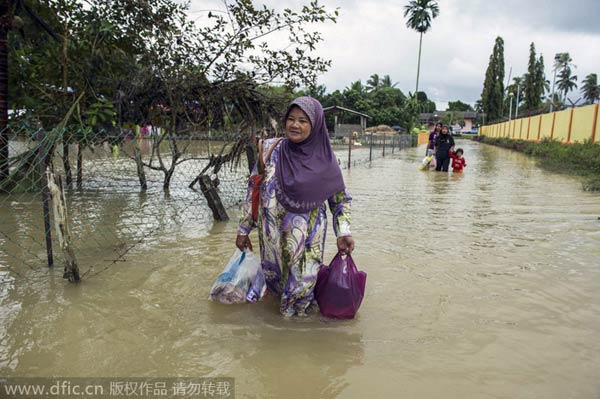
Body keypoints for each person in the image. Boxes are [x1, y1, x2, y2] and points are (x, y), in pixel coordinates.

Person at [236, 96, 354, 317]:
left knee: (300, 295)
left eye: (303, 120)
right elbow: (253, 190)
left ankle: (298, 344)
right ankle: (277, 345)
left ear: (316, 124)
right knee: (276, 292)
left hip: (308, 242)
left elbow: (340, 201)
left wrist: (344, 232)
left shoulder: (326, 160)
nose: (295, 125)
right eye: (291, 119)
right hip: (272, 241)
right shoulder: (270, 150)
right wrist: (243, 230)